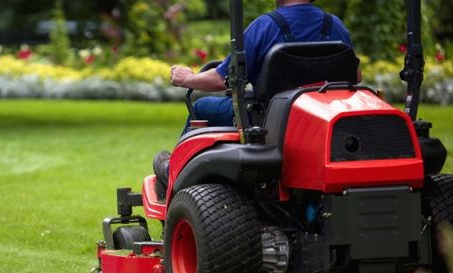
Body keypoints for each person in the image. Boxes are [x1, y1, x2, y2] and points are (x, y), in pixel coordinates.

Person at [153, 0, 362, 201]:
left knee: (201, 107)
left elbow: (221, 79)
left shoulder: (264, 26)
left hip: (267, 121)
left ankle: (172, 172)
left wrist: (187, 78)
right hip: (322, 120)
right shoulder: (335, 25)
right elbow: (356, 75)